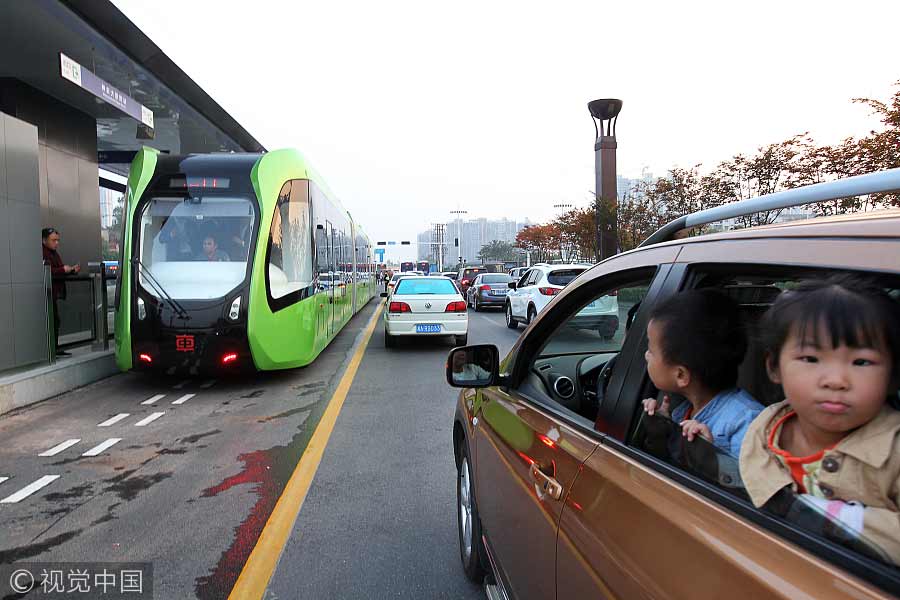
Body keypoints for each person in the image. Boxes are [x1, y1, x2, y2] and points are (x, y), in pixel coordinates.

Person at [740, 275, 900, 564]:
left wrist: (830, 517)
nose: (836, 381)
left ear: (893, 377)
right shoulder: (764, 428)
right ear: (774, 367)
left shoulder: (894, 451)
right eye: (811, 359)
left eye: (861, 362)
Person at [642, 289, 763, 458]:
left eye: (650, 350)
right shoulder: (681, 412)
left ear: (681, 375)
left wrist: (711, 460)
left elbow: (754, 483)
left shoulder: (747, 425)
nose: (646, 355)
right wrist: (661, 432)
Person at [41, 227, 80, 356]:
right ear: (44, 240)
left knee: (55, 321)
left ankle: (55, 348)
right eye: (53, 240)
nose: (56, 243)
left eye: (57, 240)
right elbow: (48, 271)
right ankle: (51, 350)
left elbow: (58, 270)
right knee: (51, 321)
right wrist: (64, 270)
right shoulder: (43, 252)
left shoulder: (54, 253)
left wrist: (71, 270)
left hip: (53, 294)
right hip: (45, 294)